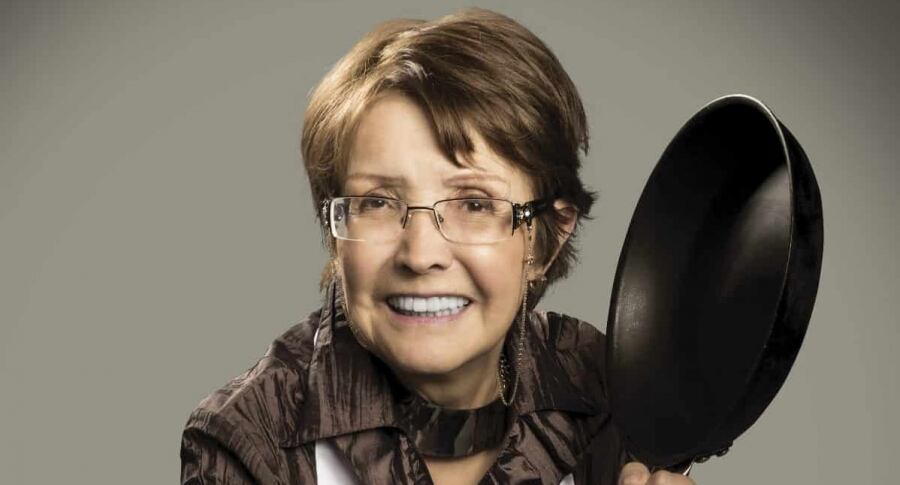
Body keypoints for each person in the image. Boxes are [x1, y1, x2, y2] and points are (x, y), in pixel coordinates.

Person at [180, 8, 696, 485]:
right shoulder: (247, 440)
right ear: (335, 235)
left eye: (474, 204)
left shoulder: (612, 392)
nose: (420, 253)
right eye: (377, 202)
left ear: (544, 242)